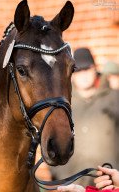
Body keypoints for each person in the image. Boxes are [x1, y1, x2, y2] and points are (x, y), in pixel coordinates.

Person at [50, 48, 119, 186]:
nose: (83, 74)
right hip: (70, 183)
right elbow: (50, 138)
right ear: (72, 74)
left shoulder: (115, 98)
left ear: (95, 69)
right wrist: (57, 173)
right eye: (79, 70)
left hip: (107, 184)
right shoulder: (62, 103)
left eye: (87, 69)